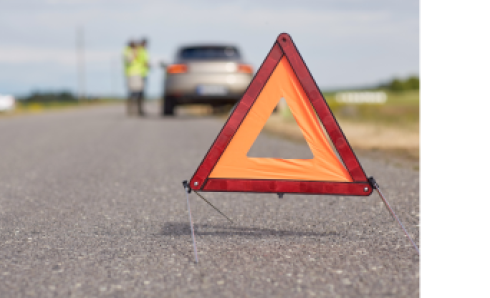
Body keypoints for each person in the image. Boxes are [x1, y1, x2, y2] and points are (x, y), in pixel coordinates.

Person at [123, 40, 145, 116]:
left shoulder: (138, 51)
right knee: (132, 93)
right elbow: (130, 60)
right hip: (132, 74)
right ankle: (130, 110)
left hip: (138, 74)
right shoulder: (128, 51)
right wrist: (134, 53)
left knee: (139, 92)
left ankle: (137, 110)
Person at [138, 38, 150, 109]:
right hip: (140, 74)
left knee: (141, 92)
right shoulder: (140, 51)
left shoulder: (142, 51)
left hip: (142, 73)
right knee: (139, 92)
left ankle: (140, 108)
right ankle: (139, 108)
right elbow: (145, 62)